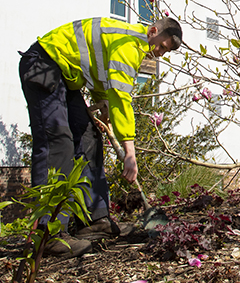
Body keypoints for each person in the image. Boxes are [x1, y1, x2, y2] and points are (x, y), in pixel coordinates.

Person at [19, 16, 182, 257]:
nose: (159, 53)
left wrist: (101, 101)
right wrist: (130, 152)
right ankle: (47, 234)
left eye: (165, 51)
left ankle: (94, 221)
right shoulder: (128, 42)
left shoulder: (132, 43)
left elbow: (98, 71)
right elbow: (121, 97)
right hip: (44, 64)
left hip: (66, 76)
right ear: (154, 31)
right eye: (161, 46)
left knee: (89, 138)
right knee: (58, 143)